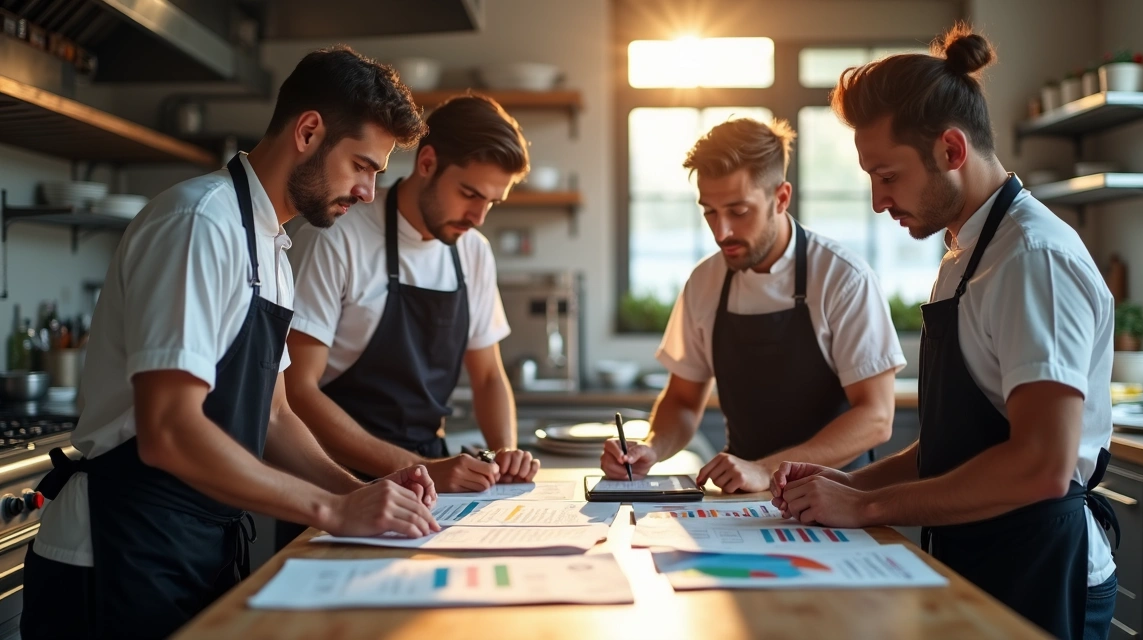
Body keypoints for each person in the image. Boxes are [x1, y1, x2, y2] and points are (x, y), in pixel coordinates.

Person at [22, 46, 441, 640]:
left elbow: (273, 416)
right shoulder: (199, 224)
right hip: (115, 554)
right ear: (309, 130)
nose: (370, 191)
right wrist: (332, 511)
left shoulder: (272, 247)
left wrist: (364, 493)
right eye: (362, 166)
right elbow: (169, 432)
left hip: (197, 547)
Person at [770, 24, 1119, 640]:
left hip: (1040, 567)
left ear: (952, 151)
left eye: (888, 175)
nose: (879, 201)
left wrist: (866, 507)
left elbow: (1041, 463)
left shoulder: (1030, 258)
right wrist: (846, 483)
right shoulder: (967, 254)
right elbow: (957, 445)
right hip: (982, 554)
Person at [279, 95, 537, 548]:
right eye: (470, 194)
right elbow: (298, 392)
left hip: (430, 483)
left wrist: (504, 453)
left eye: (492, 202)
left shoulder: (472, 251)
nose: (477, 217)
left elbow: (489, 375)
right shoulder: (337, 238)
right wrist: (415, 467)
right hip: (338, 481)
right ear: (428, 162)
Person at [601, 117, 905, 493]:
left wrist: (766, 469)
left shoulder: (843, 278)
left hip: (835, 498)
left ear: (781, 198)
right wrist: (651, 448)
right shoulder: (704, 282)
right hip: (740, 501)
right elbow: (681, 399)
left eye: (738, 211)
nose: (720, 231)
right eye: (709, 211)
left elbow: (876, 416)